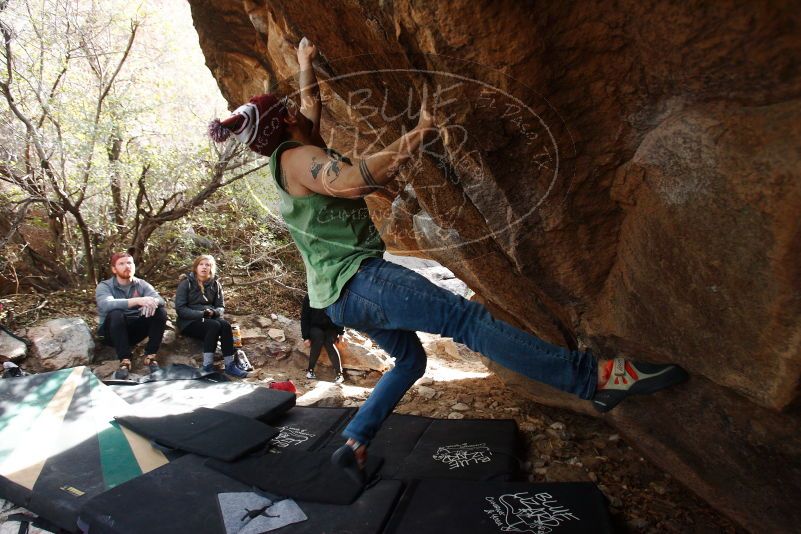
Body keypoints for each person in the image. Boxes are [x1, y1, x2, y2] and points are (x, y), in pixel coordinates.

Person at [208, 38, 687, 473]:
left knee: (411, 362)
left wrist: (306, 63)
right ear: (284, 123)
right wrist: (420, 131)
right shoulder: (298, 159)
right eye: (288, 108)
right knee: (466, 321)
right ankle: (596, 380)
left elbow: (308, 106)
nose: (297, 107)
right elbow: (349, 181)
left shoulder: (290, 148)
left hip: (337, 296)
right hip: (362, 281)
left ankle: (356, 439)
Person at [174, 254, 248, 378]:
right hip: (189, 322)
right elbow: (180, 310)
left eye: (207, 265)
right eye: (201, 264)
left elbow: (220, 307)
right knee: (214, 325)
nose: (204, 267)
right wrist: (201, 314)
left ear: (211, 268)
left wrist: (214, 313)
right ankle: (207, 366)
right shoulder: (186, 283)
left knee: (225, 325)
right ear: (196, 267)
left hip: (209, 318)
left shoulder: (215, 284)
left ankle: (230, 365)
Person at [96, 251, 167, 379]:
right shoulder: (105, 286)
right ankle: (125, 360)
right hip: (112, 332)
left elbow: (160, 299)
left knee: (160, 311)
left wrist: (152, 301)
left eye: (129, 263)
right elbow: (106, 304)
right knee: (116, 312)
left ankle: (150, 356)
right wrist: (137, 301)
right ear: (114, 269)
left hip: (134, 332)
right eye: (121, 264)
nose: (127, 266)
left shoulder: (141, 284)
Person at [301, 293, 345, 383]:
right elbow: (304, 317)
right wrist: (305, 337)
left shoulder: (333, 294)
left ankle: (339, 374)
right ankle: (310, 370)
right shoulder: (310, 295)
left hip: (331, 328)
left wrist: (341, 333)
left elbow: (339, 314)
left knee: (329, 342)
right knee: (318, 338)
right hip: (315, 326)